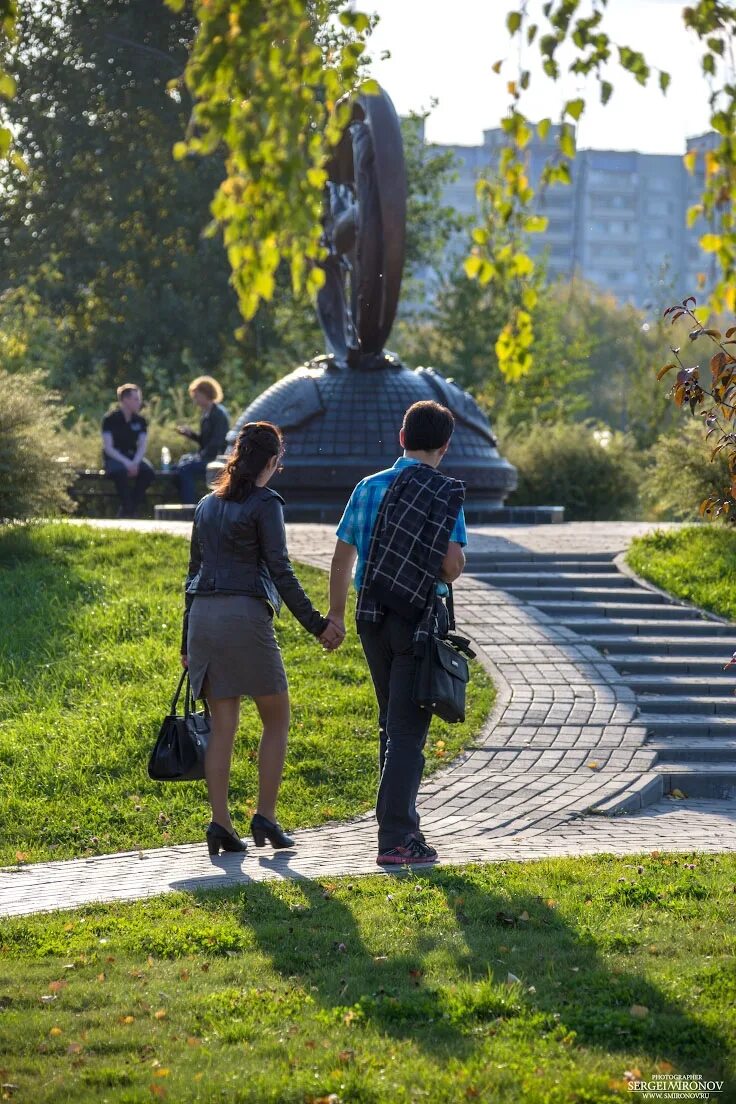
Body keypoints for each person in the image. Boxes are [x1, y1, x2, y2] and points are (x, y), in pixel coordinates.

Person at [181, 420, 345, 857]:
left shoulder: (205, 505)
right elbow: (280, 569)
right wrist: (317, 623)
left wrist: (185, 643)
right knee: (276, 717)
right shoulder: (266, 502)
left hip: (203, 618)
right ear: (271, 461)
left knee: (223, 727)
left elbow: (192, 576)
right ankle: (265, 818)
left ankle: (220, 825)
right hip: (244, 616)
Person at [326, 400, 467, 866]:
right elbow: (449, 566)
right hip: (417, 620)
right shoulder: (444, 493)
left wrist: (337, 616)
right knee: (408, 729)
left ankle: (399, 824)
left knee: (392, 722)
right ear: (444, 447)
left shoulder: (367, 487)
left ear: (402, 438)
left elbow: (343, 557)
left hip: (370, 616)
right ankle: (398, 839)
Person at [101, 384, 156, 518]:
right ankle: (130, 510)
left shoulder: (141, 421)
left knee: (148, 472)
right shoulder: (109, 419)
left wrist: (135, 462)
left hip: (134, 457)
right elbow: (108, 447)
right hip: (115, 458)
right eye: (136, 399)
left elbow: (142, 445)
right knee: (119, 472)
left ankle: (128, 509)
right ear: (125, 400)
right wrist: (127, 463)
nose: (139, 402)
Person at [175, 375, 230, 504]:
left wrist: (200, 456)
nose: (195, 401)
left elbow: (217, 441)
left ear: (206, 394)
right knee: (177, 468)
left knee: (185, 470)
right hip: (205, 456)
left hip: (215, 460)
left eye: (197, 396)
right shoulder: (205, 414)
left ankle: (190, 505)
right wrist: (191, 435)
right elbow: (204, 441)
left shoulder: (219, 414)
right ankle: (184, 502)